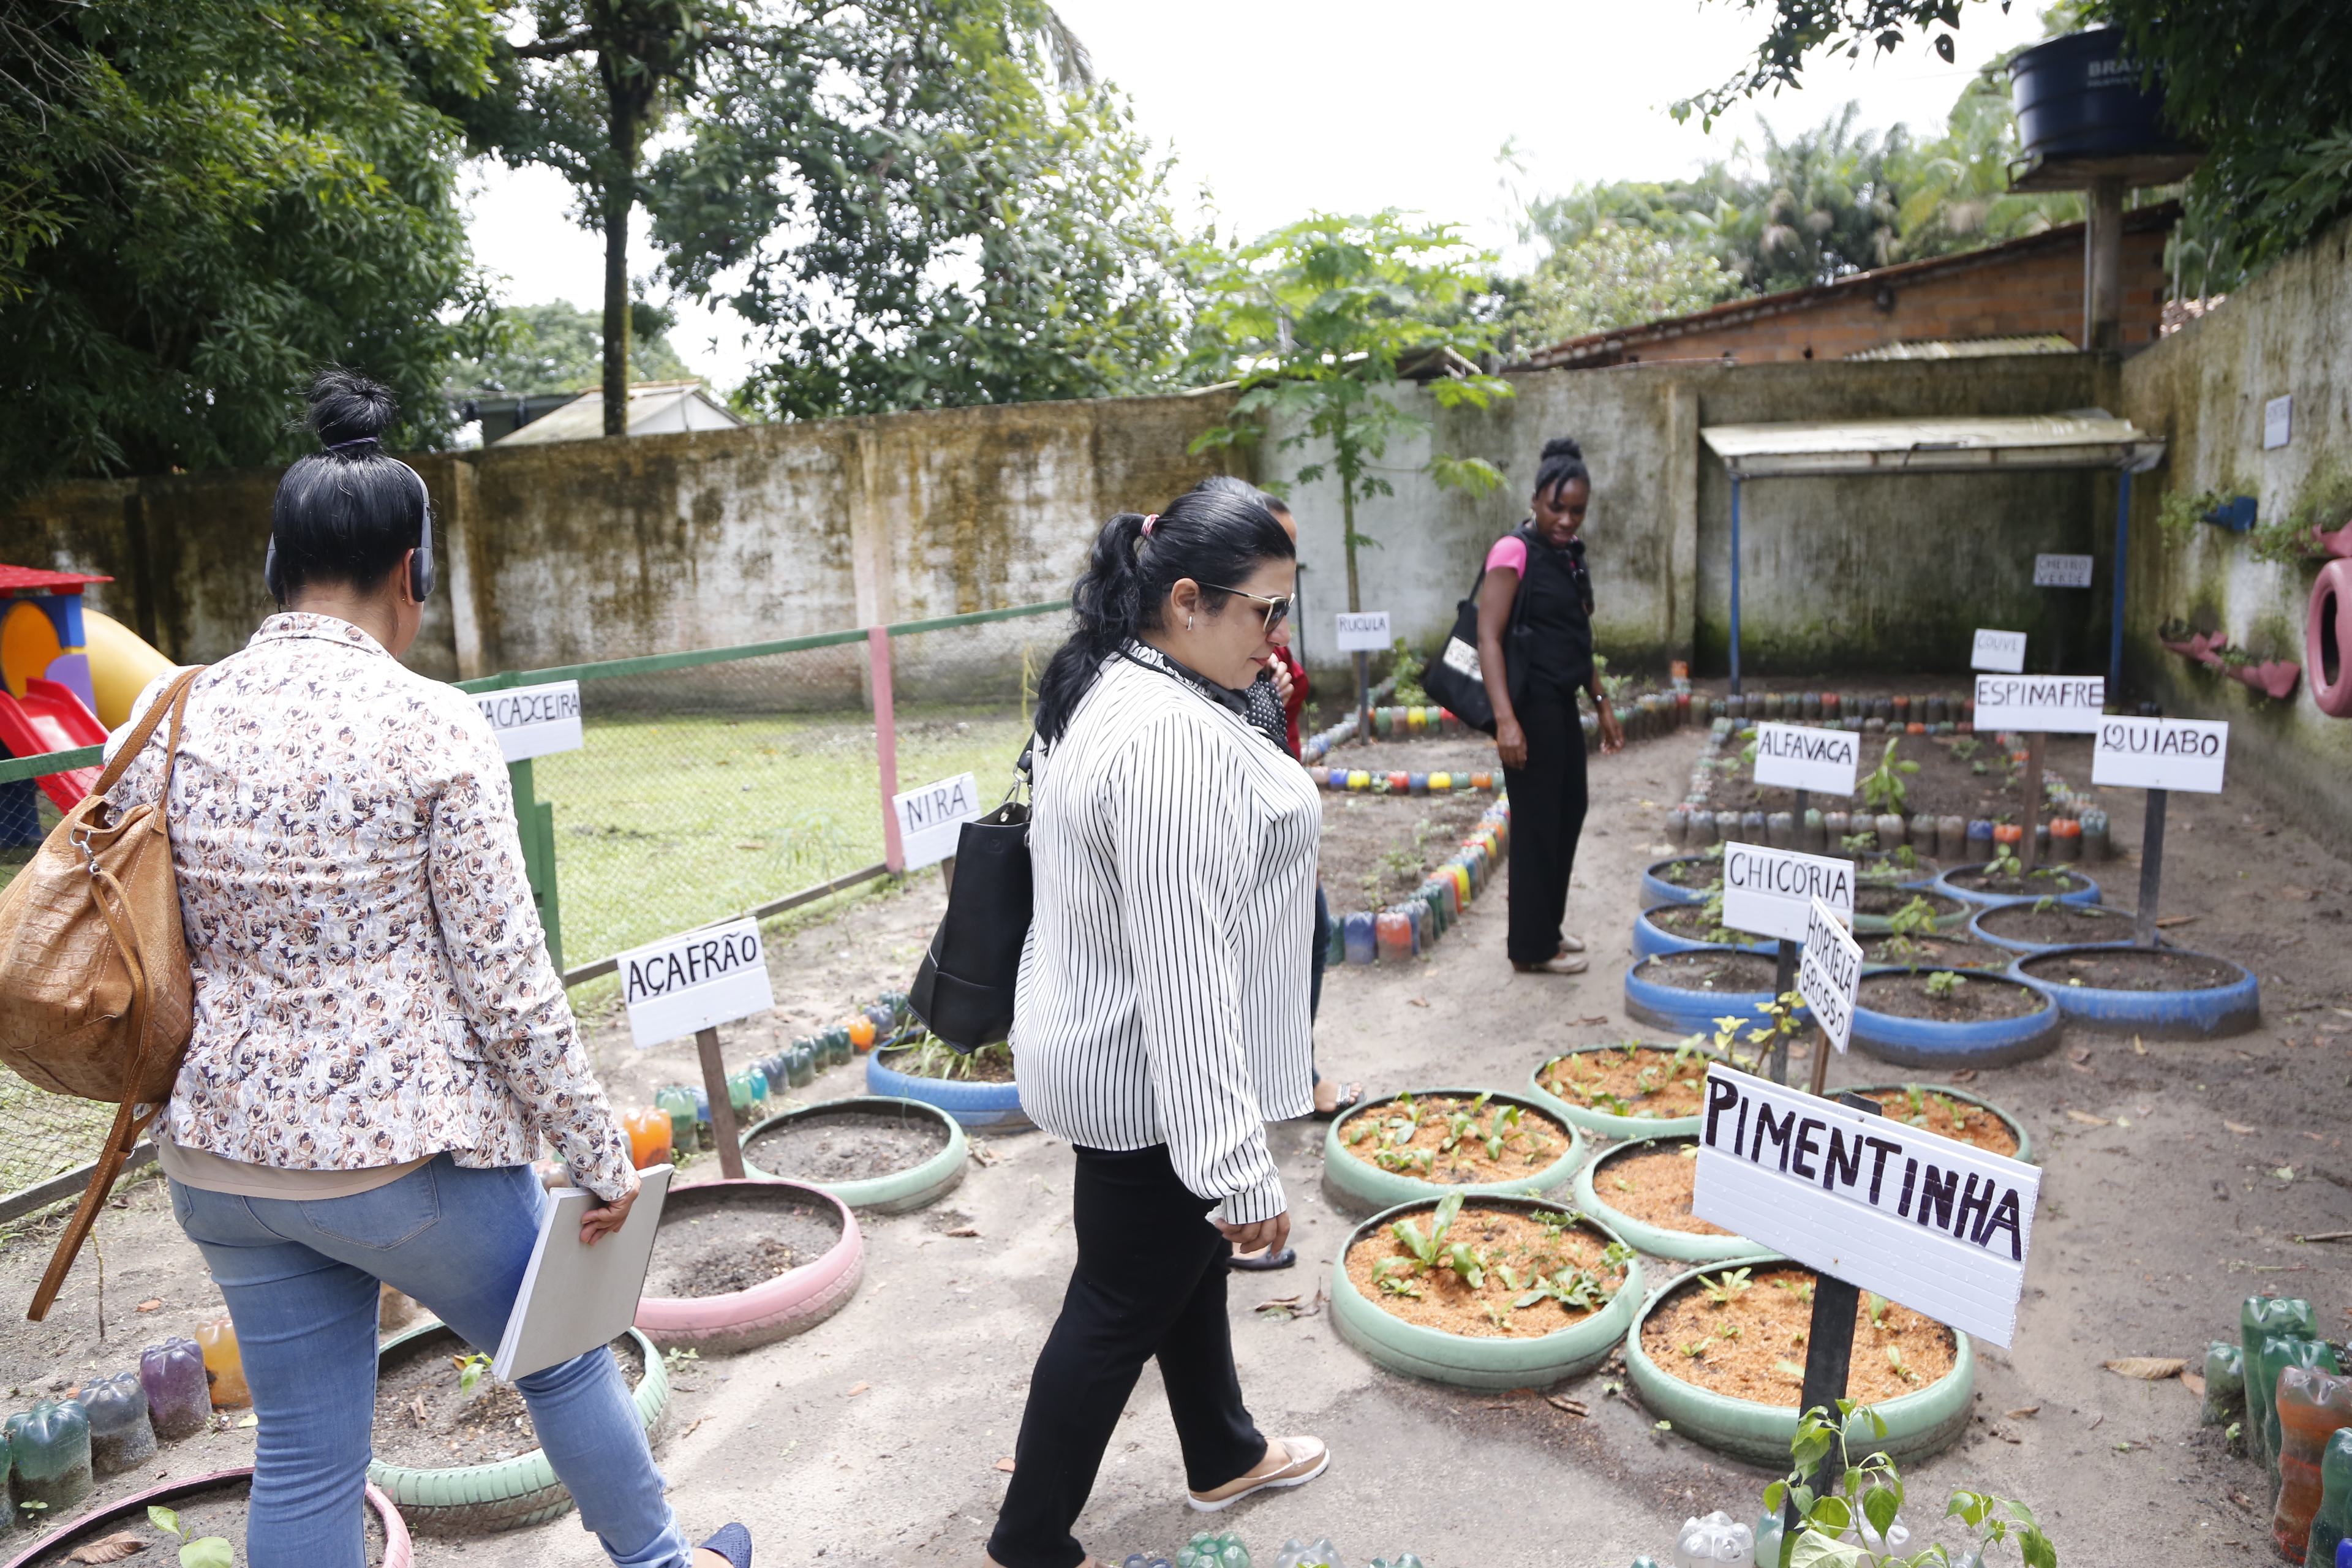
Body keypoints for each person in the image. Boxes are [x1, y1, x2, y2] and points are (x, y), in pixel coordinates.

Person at [103, 369, 750, 1568]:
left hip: (219, 1160)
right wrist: (598, 1156)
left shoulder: (166, 718)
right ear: (415, 571)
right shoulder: (434, 726)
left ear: (272, 565)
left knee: (304, 1450)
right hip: (402, 1165)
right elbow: (508, 979)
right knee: (558, 1352)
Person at [989, 486, 1330, 1568]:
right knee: (1116, 1304)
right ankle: (1028, 1539)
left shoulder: (1117, 685)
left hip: (1112, 1062)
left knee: (1168, 1272)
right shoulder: (1172, 740)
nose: (1278, 640)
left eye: (1286, 611)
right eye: (1263, 614)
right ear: (1185, 601)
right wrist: (1239, 1170)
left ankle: (1222, 1448)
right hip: (1151, 1081)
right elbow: (1186, 976)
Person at [1475, 437, 1624, 976]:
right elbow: (1488, 637)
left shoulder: (1568, 554)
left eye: (1576, 510)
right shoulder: (1512, 552)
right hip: (1528, 706)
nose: (1566, 518)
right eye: (1556, 507)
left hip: (1561, 703)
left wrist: (1600, 701)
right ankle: (1532, 948)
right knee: (1539, 823)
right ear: (1535, 499)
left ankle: (1548, 927)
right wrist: (1506, 722)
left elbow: (1574, 636)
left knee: (1568, 814)